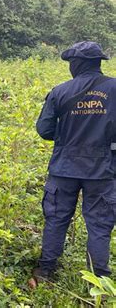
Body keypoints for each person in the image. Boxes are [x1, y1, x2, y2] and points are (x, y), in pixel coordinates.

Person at [32, 41, 115, 284]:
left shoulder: (60, 91)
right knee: (99, 226)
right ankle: (98, 282)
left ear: (76, 64)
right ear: (98, 62)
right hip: (103, 169)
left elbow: (44, 129)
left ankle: (45, 272)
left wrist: (68, 137)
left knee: (56, 219)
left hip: (64, 169)